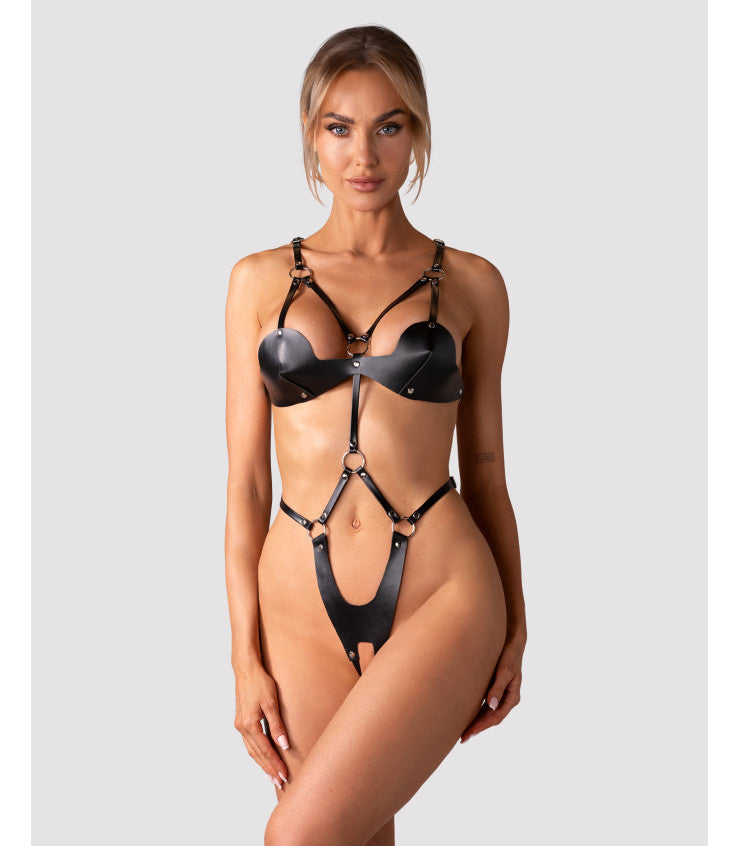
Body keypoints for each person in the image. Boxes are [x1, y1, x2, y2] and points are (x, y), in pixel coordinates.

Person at [224, 24, 527, 846]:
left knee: (297, 836)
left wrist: (517, 627)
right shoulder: (256, 281)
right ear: (311, 134)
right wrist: (243, 655)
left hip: (444, 589)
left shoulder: (474, 283)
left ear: (418, 133)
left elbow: (487, 469)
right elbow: (247, 484)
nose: (364, 155)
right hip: (298, 601)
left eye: (389, 126)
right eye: (340, 127)